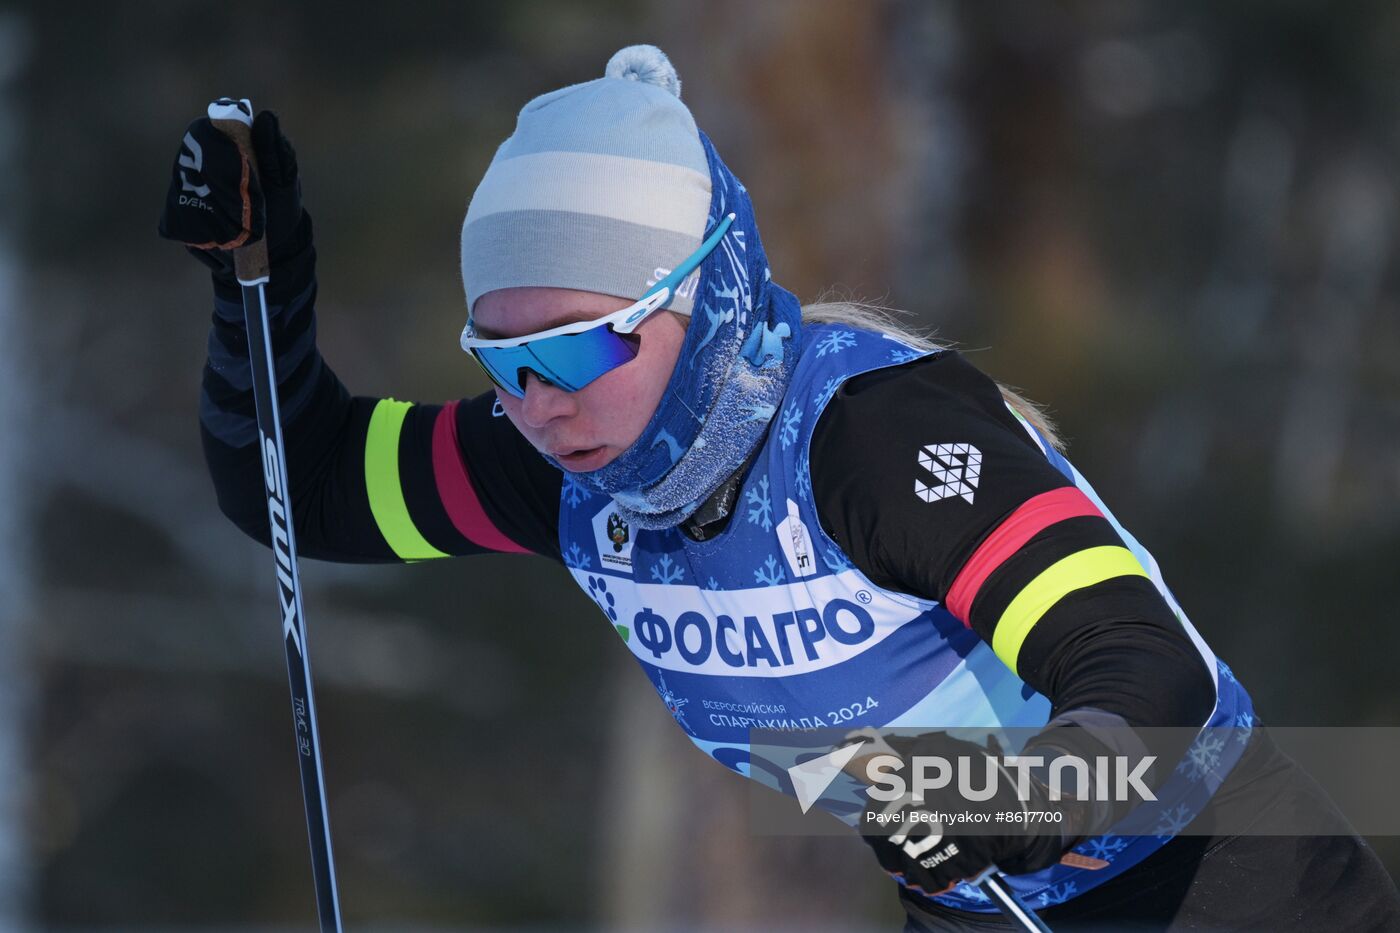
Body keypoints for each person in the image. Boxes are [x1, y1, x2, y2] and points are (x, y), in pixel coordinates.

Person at [160, 45, 1400, 931]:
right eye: (502, 358)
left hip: (1224, 886)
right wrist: (259, 277)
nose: (538, 401)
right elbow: (303, 487)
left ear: (701, 302)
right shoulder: (567, 467)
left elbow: (1148, 676)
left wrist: (999, 799)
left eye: (578, 348)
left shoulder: (870, 437)